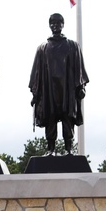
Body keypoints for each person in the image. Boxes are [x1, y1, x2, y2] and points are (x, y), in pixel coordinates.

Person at [29, 13, 88, 156]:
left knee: (68, 118)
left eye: (58, 23)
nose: (55, 25)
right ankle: (51, 149)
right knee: (50, 117)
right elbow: (36, 72)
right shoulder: (43, 48)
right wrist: (35, 94)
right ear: (50, 25)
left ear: (63, 24)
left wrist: (81, 87)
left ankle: (68, 149)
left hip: (67, 89)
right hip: (49, 89)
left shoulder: (73, 46)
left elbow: (79, 68)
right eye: (53, 23)